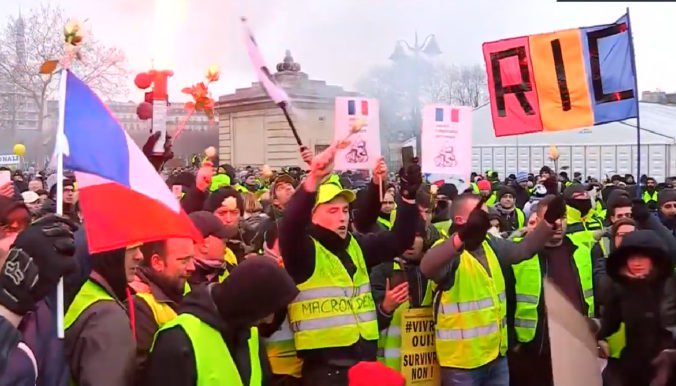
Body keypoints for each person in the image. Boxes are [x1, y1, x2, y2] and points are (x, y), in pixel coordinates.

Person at [279, 145, 420, 386]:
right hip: (325, 372)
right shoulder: (303, 252)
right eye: (332, 210)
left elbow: (400, 240)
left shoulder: (356, 246)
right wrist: (313, 179)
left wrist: (407, 198)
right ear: (312, 216)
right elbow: (291, 224)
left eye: (345, 210)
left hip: (364, 367)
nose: (342, 217)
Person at [420, 192, 560, 386]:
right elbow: (428, 266)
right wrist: (461, 238)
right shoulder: (446, 251)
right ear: (461, 219)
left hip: (496, 356)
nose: (486, 220)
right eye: (480, 215)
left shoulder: (490, 244)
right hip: (462, 363)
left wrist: (548, 224)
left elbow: (522, 250)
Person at [144, 256, 299, 386]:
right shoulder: (177, 339)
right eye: (266, 311)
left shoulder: (250, 336)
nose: (269, 319)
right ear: (250, 302)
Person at [505, 195, 605, 386]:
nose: (558, 223)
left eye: (563, 217)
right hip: (534, 351)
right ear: (539, 222)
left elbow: (592, 296)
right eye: (552, 218)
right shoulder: (520, 254)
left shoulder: (582, 251)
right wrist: (514, 345)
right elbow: (507, 300)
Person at [592, 230, 676, 386]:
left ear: (654, 259)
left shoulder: (670, 285)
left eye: (642, 257)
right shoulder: (621, 288)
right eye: (631, 257)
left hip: (668, 366)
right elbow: (610, 323)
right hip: (634, 366)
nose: (637, 263)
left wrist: (671, 357)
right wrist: (591, 328)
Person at [0, 215, 76, 384]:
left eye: (23, 227)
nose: (15, 238)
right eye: (7, 230)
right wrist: (10, 303)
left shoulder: (43, 306)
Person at [64, 244, 144, 386]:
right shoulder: (109, 319)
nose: (140, 256)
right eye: (131, 248)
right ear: (111, 252)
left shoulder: (84, 290)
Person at [371, 218, 435, 371]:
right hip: (390, 370)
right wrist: (384, 308)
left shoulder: (437, 270)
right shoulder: (382, 269)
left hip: (427, 371)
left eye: (417, 236)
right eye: (405, 236)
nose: (411, 242)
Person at [130, 238, 196, 382]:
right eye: (184, 261)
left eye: (192, 259)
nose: (192, 267)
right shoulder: (141, 305)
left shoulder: (184, 289)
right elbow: (141, 371)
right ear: (157, 262)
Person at [188, 211, 235, 285]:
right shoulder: (180, 279)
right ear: (204, 245)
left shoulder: (229, 270)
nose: (226, 249)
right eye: (224, 242)